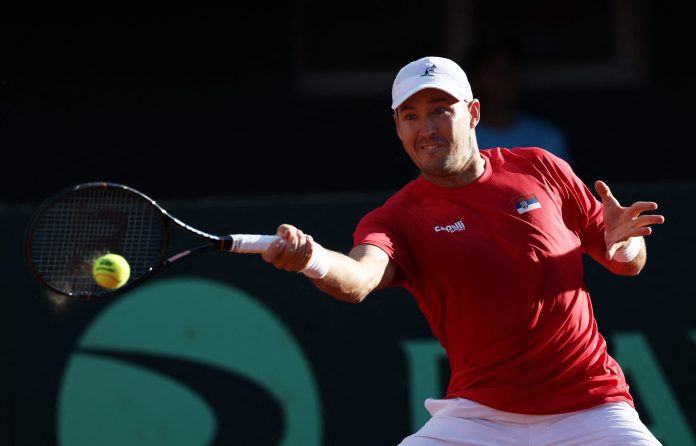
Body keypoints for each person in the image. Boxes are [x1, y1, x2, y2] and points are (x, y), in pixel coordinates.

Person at [261, 56, 665, 445]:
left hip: (592, 407)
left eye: (440, 110)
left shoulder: (541, 168)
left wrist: (626, 242)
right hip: (478, 419)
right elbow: (359, 277)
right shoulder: (396, 218)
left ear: (473, 113)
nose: (426, 129)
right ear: (398, 127)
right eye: (411, 116)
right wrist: (312, 259)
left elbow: (627, 264)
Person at [468, 38, 573, 164]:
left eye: (510, 70)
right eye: (494, 71)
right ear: (474, 79)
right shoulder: (461, 139)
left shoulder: (548, 137)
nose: (504, 79)